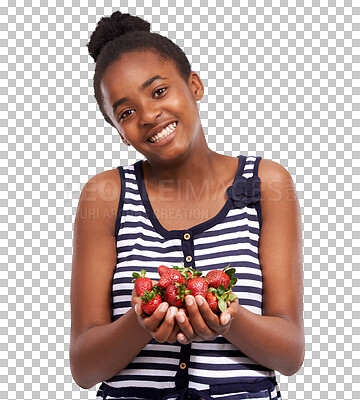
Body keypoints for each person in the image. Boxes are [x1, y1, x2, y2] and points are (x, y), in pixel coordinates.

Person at [69, 10, 304, 400]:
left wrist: (226, 319)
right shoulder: (106, 194)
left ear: (194, 84)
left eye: (159, 91)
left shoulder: (267, 182)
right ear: (119, 132)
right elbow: (84, 368)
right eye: (126, 112)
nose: (148, 115)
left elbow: (291, 354)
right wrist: (140, 322)